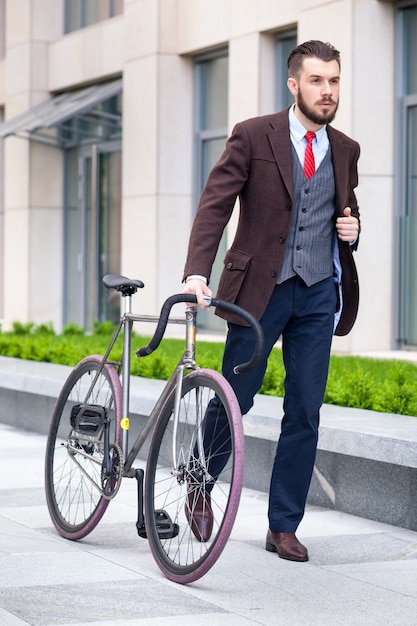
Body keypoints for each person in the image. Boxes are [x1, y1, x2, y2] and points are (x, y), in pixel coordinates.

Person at [182, 40, 360, 562]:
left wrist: (352, 229)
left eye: (333, 81)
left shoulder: (346, 148)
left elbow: (343, 212)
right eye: (316, 81)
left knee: (305, 410)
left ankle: (283, 525)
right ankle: (198, 478)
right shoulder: (253, 134)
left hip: (318, 292)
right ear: (294, 84)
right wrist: (197, 271)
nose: (326, 91)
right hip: (260, 291)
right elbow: (215, 205)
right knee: (236, 397)